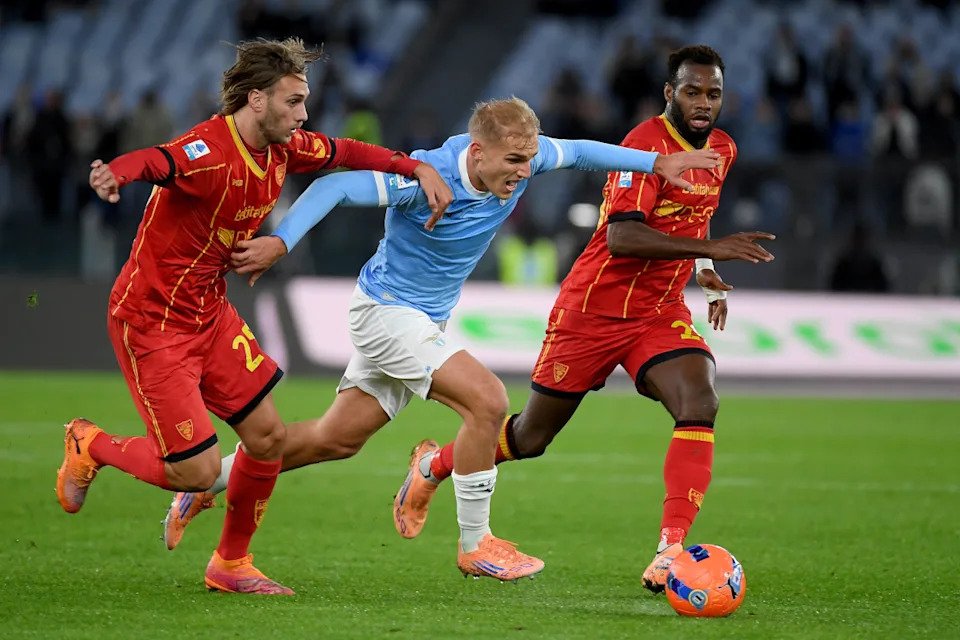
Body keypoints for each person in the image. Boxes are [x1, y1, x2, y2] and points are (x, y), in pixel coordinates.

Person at [161, 96, 721, 582]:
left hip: (422, 322)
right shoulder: (425, 178)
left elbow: (576, 152)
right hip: (386, 314)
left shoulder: (523, 157)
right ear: (477, 153)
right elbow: (335, 186)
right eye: (513, 162)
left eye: (529, 159)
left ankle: (211, 483)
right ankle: (477, 545)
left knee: (336, 439)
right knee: (488, 401)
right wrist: (282, 241)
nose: (524, 172)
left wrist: (656, 162)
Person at [54, 37, 452, 596]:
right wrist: (115, 173)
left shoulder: (283, 147)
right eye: (294, 101)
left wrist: (415, 167)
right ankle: (90, 444)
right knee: (195, 471)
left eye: (304, 100)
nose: (303, 114)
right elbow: (158, 161)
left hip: (209, 314)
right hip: (152, 322)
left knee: (267, 438)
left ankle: (231, 564)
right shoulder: (209, 150)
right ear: (257, 101)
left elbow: (346, 151)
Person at [389, 46, 776, 593]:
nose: (703, 103)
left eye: (713, 93)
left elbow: (697, 214)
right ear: (670, 93)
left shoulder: (723, 149)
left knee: (700, 401)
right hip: (592, 310)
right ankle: (434, 465)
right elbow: (622, 236)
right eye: (691, 91)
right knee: (530, 437)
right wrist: (714, 248)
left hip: (657, 311)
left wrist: (706, 270)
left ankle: (669, 551)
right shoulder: (642, 147)